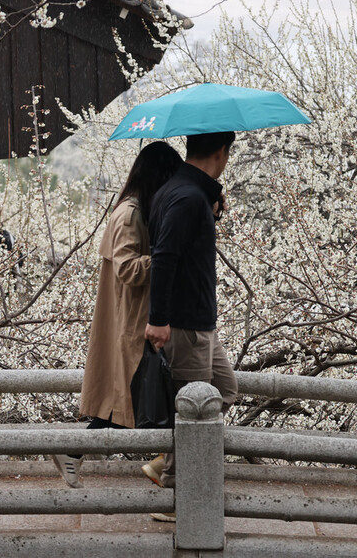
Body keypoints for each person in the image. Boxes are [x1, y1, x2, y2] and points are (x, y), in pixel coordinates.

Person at [54, 141, 183, 488]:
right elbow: (128, 268)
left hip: (135, 319)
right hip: (130, 321)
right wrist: (165, 258)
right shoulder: (129, 213)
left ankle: (76, 452)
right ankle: (75, 450)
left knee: (125, 406)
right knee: (132, 402)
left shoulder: (138, 210)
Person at [144, 131, 240, 502]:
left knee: (226, 390)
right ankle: (176, 501)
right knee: (197, 412)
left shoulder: (184, 192)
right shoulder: (186, 196)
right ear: (221, 151)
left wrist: (211, 208)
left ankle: (163, 461)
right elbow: (165, 257)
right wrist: (159, 318)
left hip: (201, 324)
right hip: (184, 325)